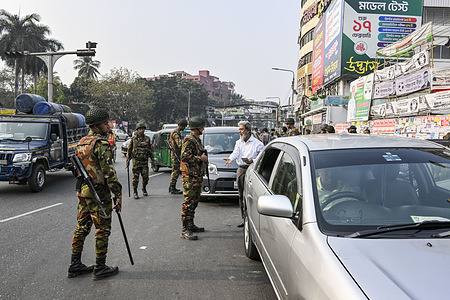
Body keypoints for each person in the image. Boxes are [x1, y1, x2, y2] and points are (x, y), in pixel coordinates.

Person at [68, 107, 121, 280]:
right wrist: (118, 195)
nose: (108, 126)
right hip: (99, 193)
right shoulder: (101, 144)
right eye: (106, 123)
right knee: (102, 229)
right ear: (97, 125)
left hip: (84, 191)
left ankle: (74, 264)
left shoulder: (82, 142)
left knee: (81, 227)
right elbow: (109, 173)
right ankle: (100, 267)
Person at [224, 120, 264, 227]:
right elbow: (235, 153)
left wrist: (252, 161)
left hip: (253, 170)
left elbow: (262, 159)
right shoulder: (239, 142)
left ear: (247, 130)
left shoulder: (258, 144)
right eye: (239, 129)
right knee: (242, 196)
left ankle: (254, 220)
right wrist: (230, 159)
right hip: (241, 170)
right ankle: (244, 218)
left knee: (252, 196)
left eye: (241, 129)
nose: (240, 132)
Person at [180, 116, 208, 240]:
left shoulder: (197, 140)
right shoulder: (189, 140)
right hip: (190, 177)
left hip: (196, 175)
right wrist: (199, 158)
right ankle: (184, 229)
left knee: (195, 201)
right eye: (201, 126)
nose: (203, 128)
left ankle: (190, 224)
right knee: (188, 202)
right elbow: (184, 157)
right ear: (196, 128)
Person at [126, 122, 155, 199]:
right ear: (137, 130)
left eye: (143, 129)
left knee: (146, 178)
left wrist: (153, 160)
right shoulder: (133, 139)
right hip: (136, 162)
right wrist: (127, 160)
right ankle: (135, 191)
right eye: (140, 129)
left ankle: (144, 188)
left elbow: (150, 150)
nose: (141, 130)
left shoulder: (147, 139)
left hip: (144, 162)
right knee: (135, 178)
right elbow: (129, 149)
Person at [168, 119, 187, 194]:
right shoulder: (175, 133)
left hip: (177, 154)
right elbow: (179, 144)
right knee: (175, 171)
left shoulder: (176, 132)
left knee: (175, 171)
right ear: (181, 125)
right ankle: (172, 187)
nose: (184, 128)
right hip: (176, 155)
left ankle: (172, 186)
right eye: (184, 126)